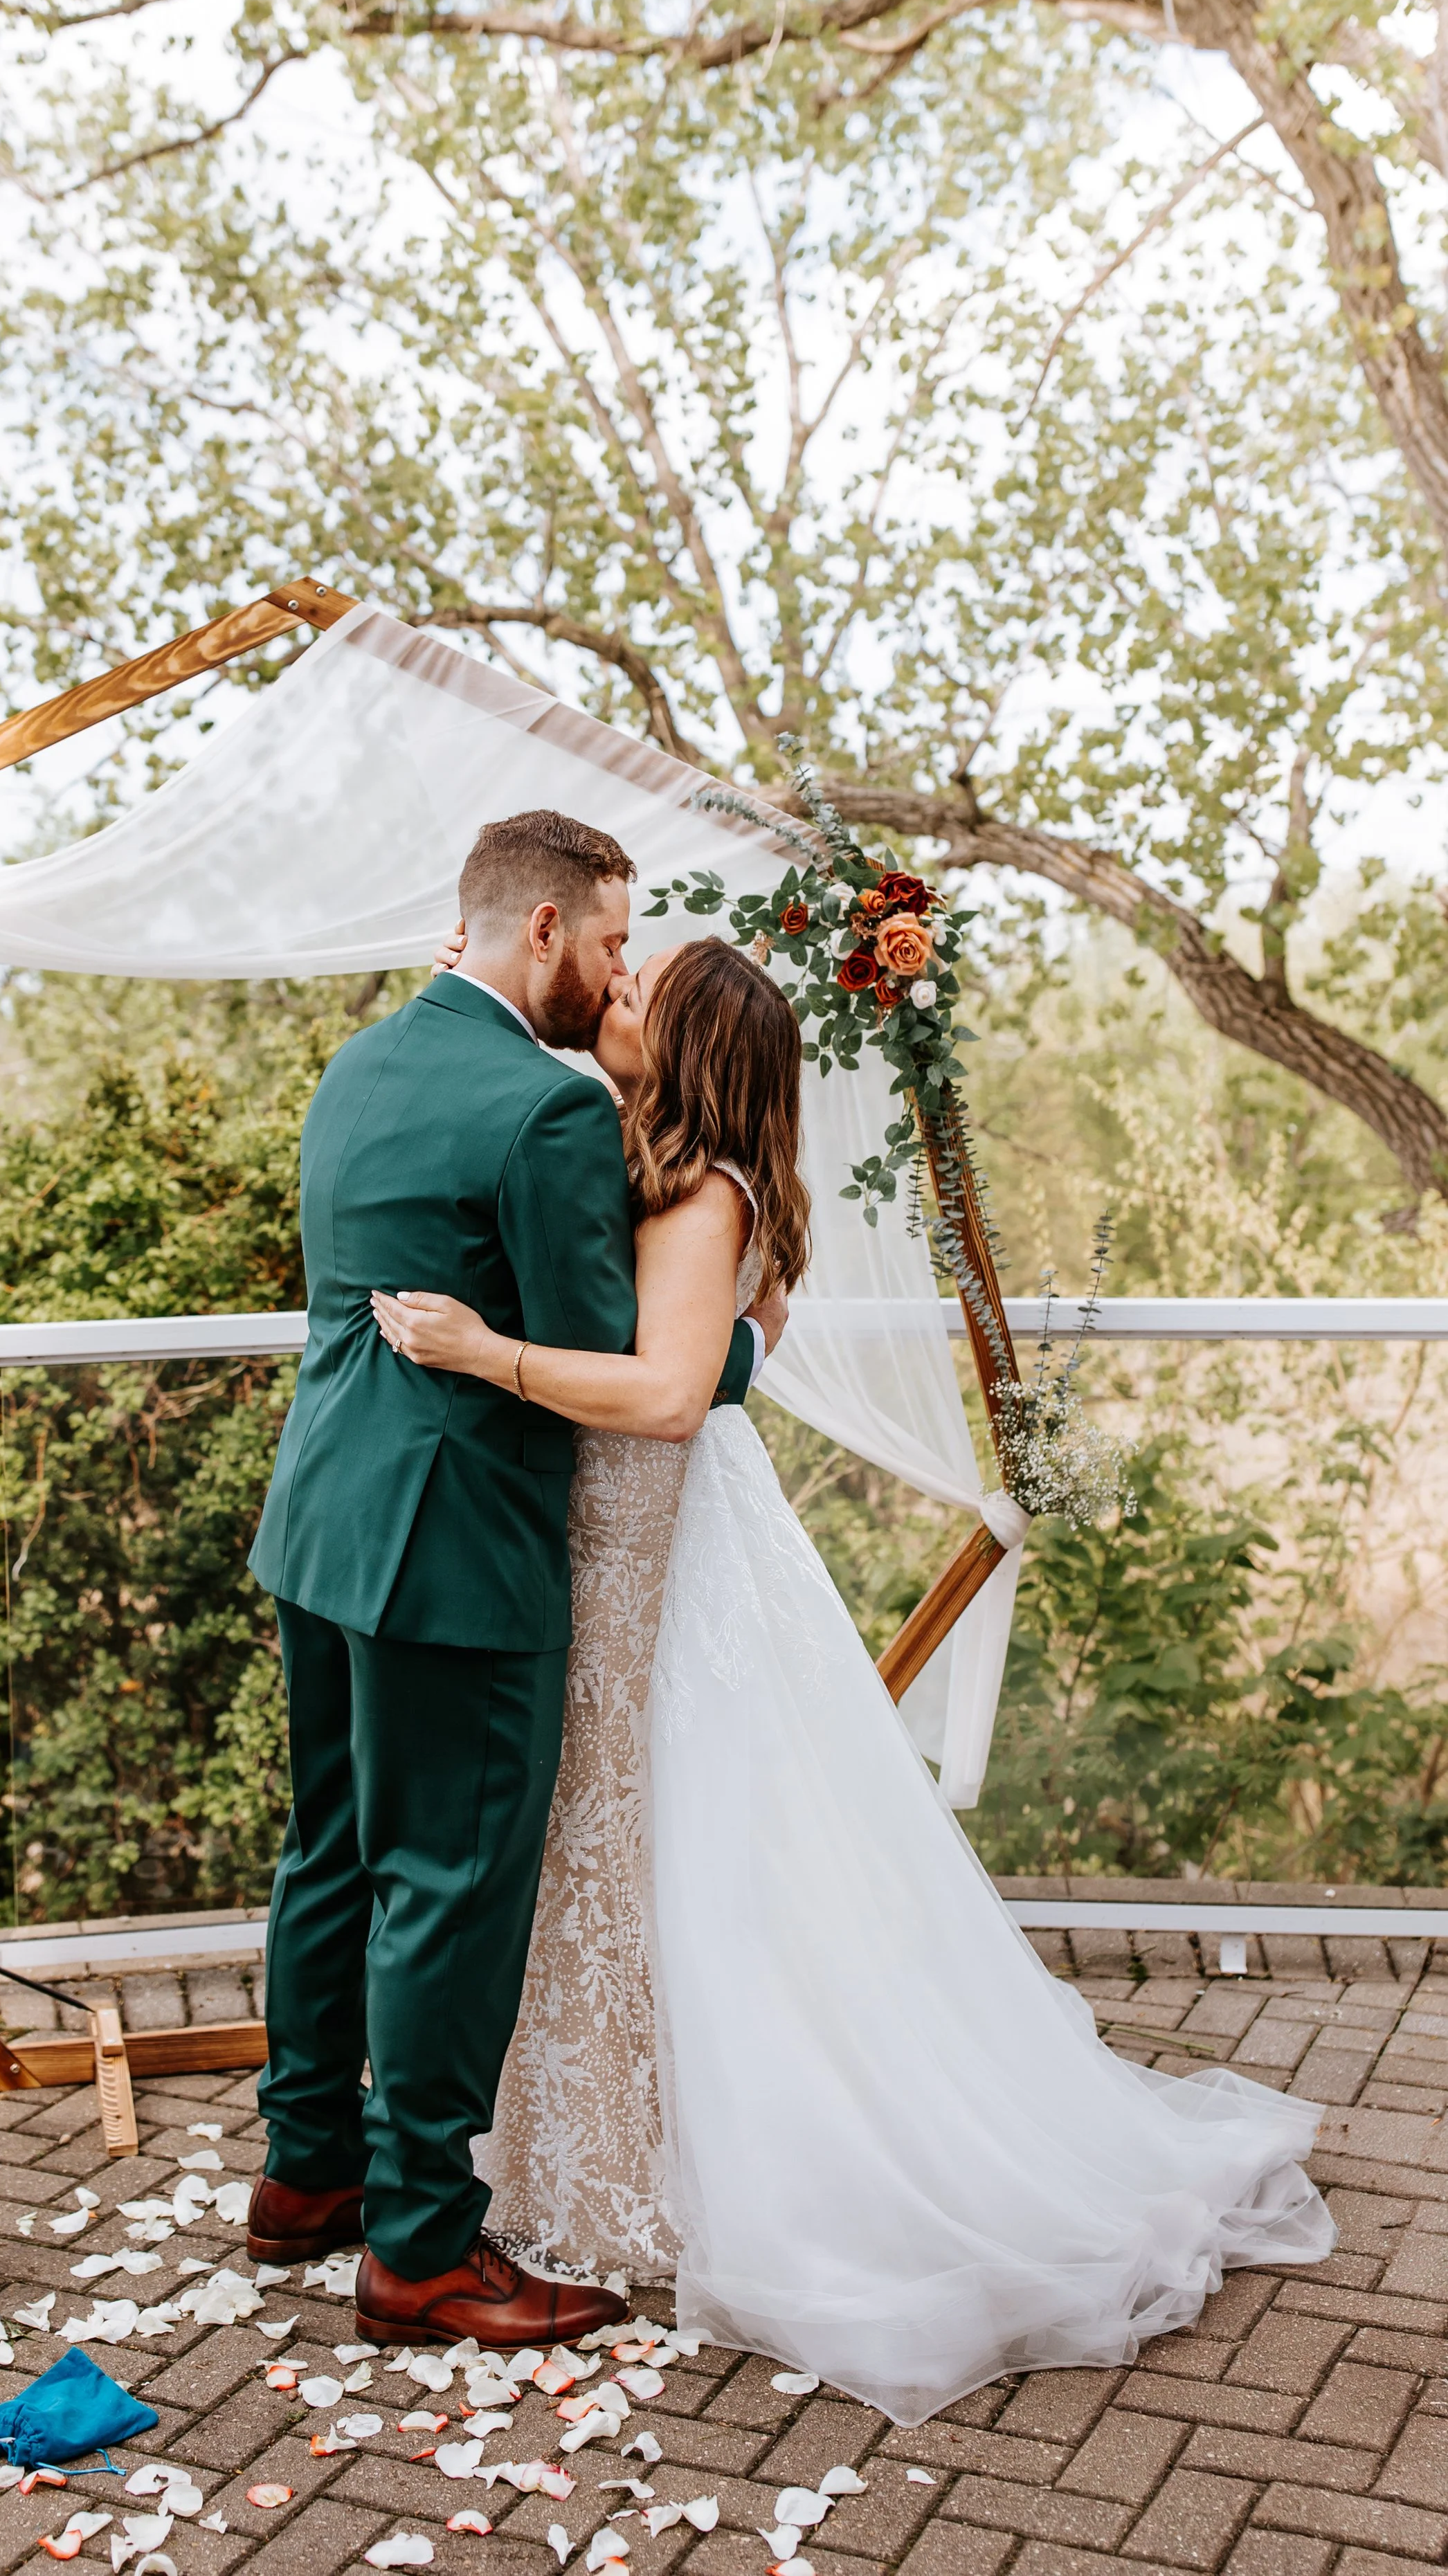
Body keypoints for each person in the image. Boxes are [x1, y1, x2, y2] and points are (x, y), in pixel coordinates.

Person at [371, 932, 1337, 2423]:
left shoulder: (701, 1196)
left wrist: (477, 1350)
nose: (606, 1007)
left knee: (681, 1847)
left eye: (633, 999)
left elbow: (672, 1395)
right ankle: (594, 2143)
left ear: (686, 1048)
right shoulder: (661, 1161)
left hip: (661, 1537)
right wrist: (484, 987)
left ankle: (676, 2161)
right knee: (642, 1846)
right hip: (635, 1542)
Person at [242, 808, 777, 2350]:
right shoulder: (543, 1114)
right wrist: (743, 1339)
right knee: (448, 1888)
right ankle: (417, 2249)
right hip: (456, 1547)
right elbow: (612, 1349)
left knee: (329, 1853)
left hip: (323, 1523)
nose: (618, 971)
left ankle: (302, 2176)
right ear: (540, 929)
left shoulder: (361, 1063)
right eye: (612, 940)